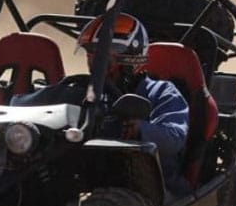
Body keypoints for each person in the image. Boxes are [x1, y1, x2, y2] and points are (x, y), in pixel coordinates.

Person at [76, 13, 191, 195]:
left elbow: (174, 137)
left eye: (105, 58)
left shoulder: (161, 91)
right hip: (95, 180)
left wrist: (140, 129)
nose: (95, 66)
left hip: (153, 189)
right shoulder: (87, 92)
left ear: (131, 60)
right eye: (91, 57)